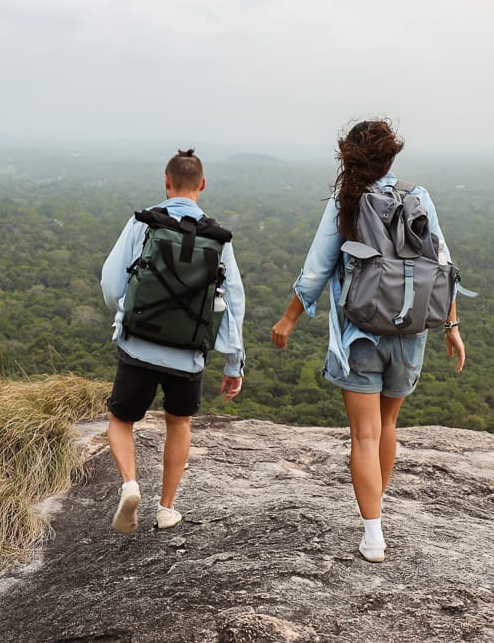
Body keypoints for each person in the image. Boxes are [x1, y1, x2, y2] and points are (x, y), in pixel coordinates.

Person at [270, 120, 466, 563]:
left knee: (363, 434)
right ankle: (377, 512)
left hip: (359, 334)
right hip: (411, 332)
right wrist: (451, 327)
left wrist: (288, 318)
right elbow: (443, 264)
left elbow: (317, 268)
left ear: (350, 157)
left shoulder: (349, 203)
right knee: (387, 427)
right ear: (391, 157)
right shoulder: (419, 197)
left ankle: (373, 533)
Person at [100, 149, 246, 533]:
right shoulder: (217, 239)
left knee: (120, 418)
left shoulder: (144, 223)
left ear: (166, 183)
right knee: (179, 422)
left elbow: (111, 282)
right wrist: (234, 364)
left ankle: (130, 484)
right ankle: (166, 508)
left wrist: (127, 312)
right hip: (188, 354)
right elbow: (233, 303)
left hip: (138, 345)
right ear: (202, 185)